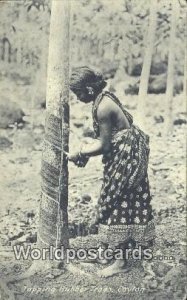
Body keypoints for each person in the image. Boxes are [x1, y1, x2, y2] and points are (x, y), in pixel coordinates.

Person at [68, 66, 155, 277]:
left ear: (89, 89)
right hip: (128, 155)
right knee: (128, 201)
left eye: (78, 93)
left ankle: (120, 262)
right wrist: (87, 152)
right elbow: (110, 137)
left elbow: (106, 146)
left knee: (117, 202)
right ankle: (116, 253)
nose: (77, 98)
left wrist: (80, 153)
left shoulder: (102, 107)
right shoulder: (104, 97)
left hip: (126, 160)